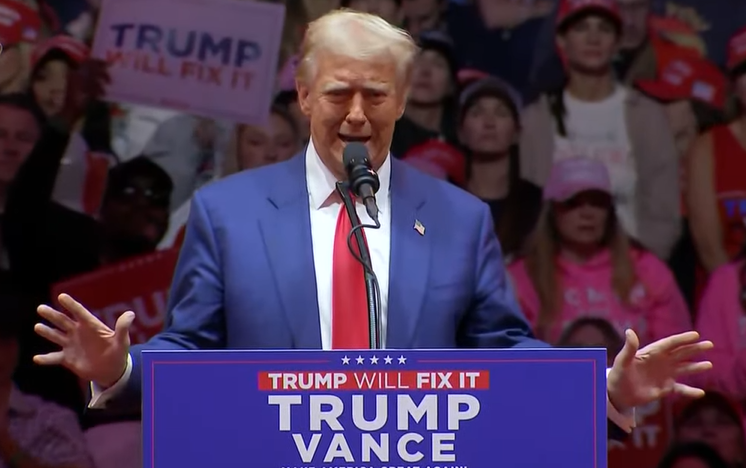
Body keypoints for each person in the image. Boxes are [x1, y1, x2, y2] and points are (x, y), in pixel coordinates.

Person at [31, 9, 711, 440]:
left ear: (403, 101)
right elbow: (193, 349)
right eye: (338, 93)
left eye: (376, 94)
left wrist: (599, 387)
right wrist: (123, 367)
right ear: (304, 96)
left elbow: (502, 351)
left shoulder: (458, 218)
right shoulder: (228, 213)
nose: (356, 113)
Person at [519, 0, 681, 261]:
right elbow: (527, 210)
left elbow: (663, 212)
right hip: (552, 269)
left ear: (617, 43)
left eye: (604, 29)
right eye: (581, 28)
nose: (593, 38)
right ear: (561, 40)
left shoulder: (646, 116)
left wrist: (644, 267)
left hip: (630, 268)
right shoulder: (535, 119)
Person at [508, 158, 691, 345]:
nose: (587, 213)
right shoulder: (520, 278)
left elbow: (676, 350)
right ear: (552, 210)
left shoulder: (648, 270)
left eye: (598, 203)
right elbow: (509, 353)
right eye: (573, 203)